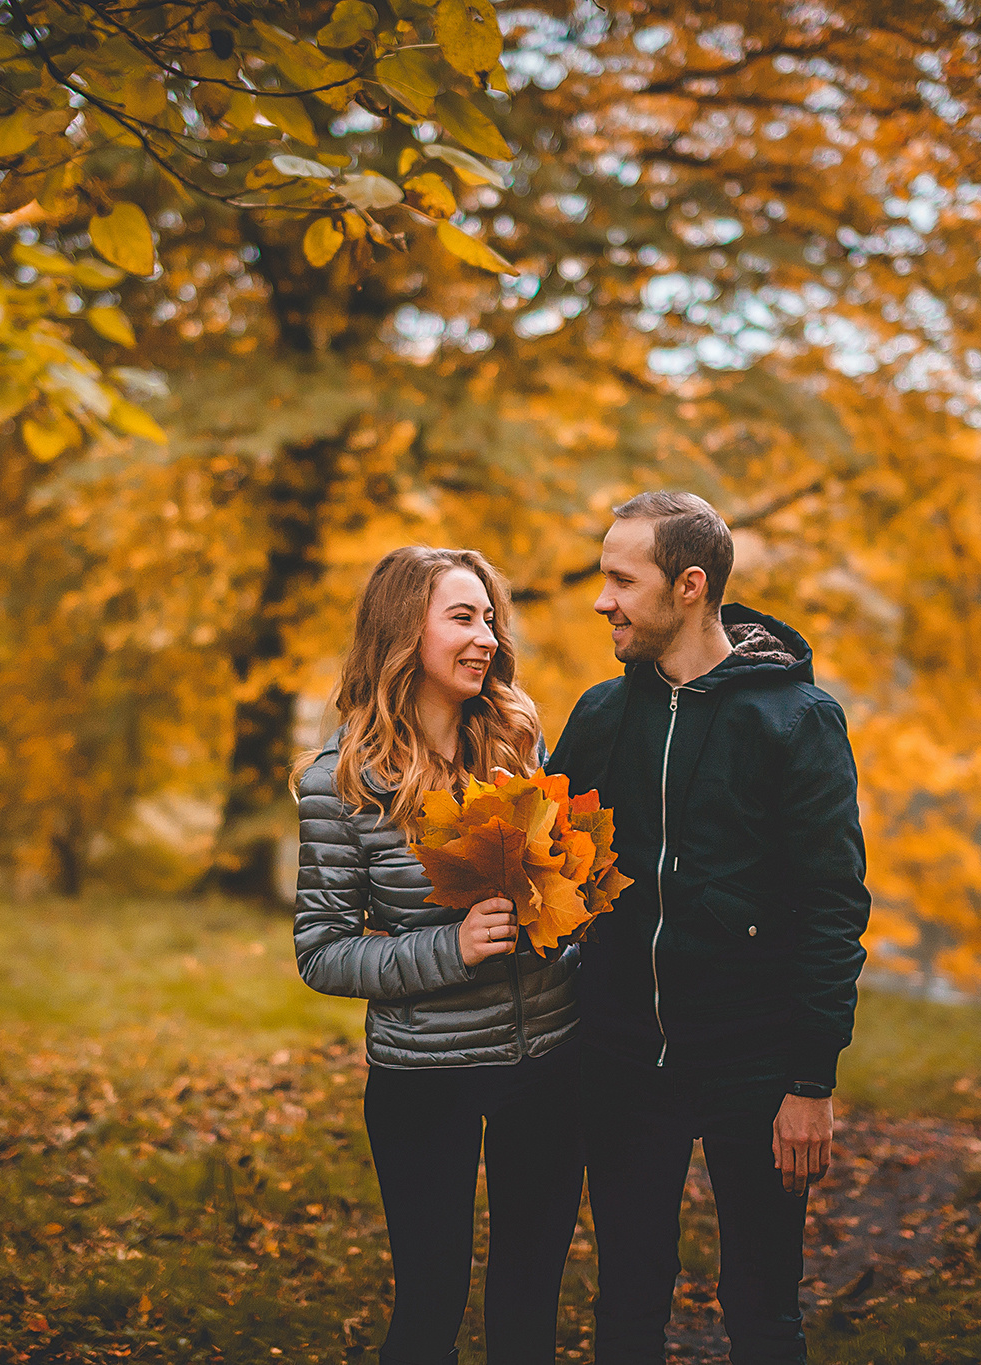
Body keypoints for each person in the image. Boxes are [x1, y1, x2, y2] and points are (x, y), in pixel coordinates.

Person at [546, 492, 871, 1365]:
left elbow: (832, 906)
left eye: (621, 579)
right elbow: (550, 869)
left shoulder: (796, 720)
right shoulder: (601, 715)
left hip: (756, 1068)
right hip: (620, 1059)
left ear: (689, 585)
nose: (601, 599)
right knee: (626, 1308)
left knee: (763, 1310)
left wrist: (810, 1080)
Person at [291, 546, 584, 1365]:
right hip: (426, 1078)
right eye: (463, 616)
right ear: (401, 631)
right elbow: (321, 951)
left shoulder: (520, 746)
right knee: (429, 1309)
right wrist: (447, 949)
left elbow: (559, 884)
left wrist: (572, 900)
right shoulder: (341, 783)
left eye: (490, 617)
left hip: (547, 1063)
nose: (486, 635)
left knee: (529, 1308)